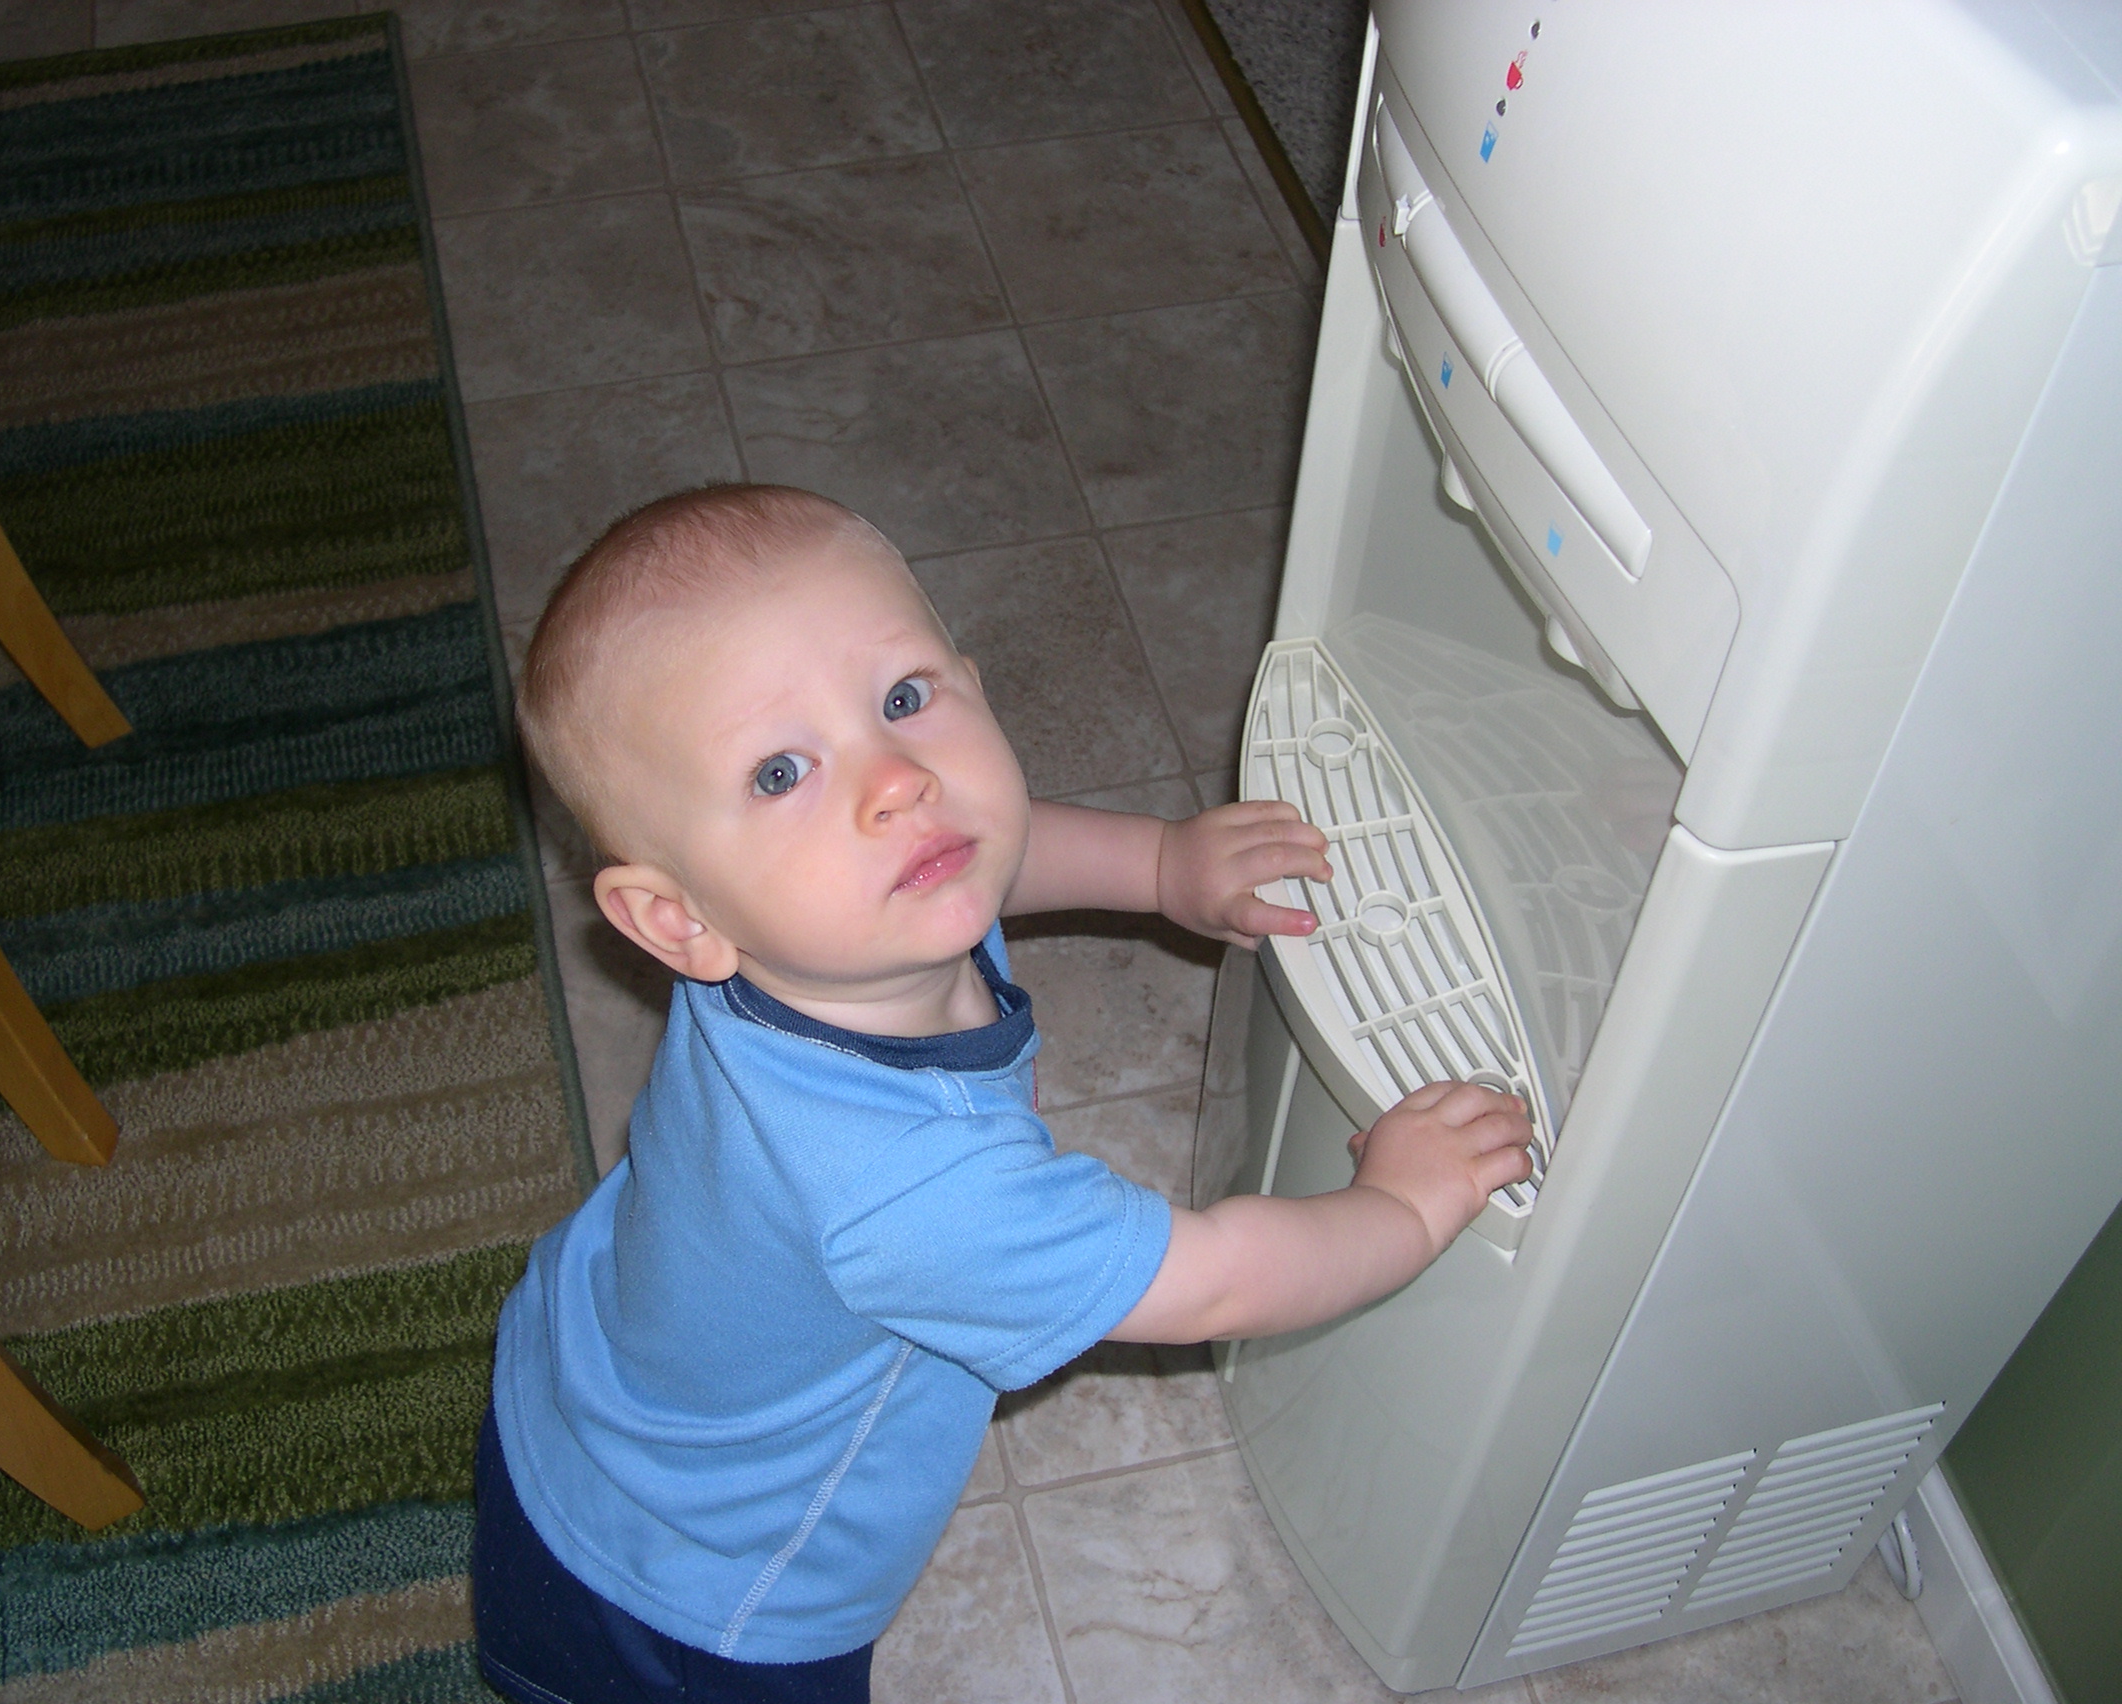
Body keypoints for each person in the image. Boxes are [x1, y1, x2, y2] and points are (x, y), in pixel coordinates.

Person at [479, 484, 1534, 1703]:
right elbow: (1219, 1280)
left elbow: (1000, 845)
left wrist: (1159, 865)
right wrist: (1401, 1208)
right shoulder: (911, 1189)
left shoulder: (804, 933)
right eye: (781, 771)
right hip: (697, 1595)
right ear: (675, 920)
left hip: (579, 1374)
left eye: (905, 699)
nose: (896, 781)